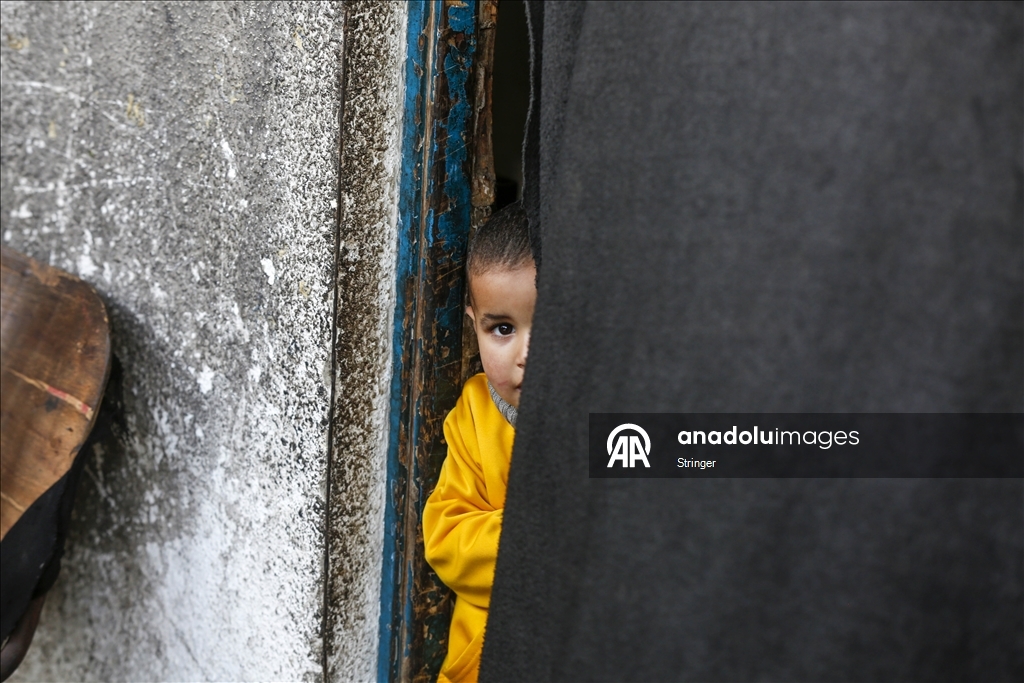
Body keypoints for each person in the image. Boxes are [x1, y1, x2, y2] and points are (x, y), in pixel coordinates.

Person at [423, 203, 536, 683]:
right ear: (473, 323)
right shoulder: (474, 413)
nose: (527, 355)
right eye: (503, 329)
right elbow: (447, 539)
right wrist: (550, 535)